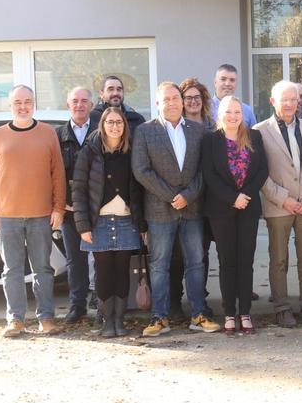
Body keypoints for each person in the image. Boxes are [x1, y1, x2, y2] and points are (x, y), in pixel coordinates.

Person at [132, 81, 217, 337]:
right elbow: (141, 170)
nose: (172, 103)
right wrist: (172, 196)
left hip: (192, 208)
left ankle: (198, 314)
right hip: (160, 210)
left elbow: (205, 170)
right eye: (166, 99)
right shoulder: (145, 131)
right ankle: (160, 317)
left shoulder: (198, 130)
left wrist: (188, 195)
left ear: (182, 102)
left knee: (196, 262)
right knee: (159, 265)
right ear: (158, 103)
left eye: (175, 98)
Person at [0, 85, 65, 338]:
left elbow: (58, 174)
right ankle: (16, 319)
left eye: (27, 101)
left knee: (43, 269)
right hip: (7, 215)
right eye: (18, 102)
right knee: (12, 270)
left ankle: (46, 317)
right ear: (10, 105)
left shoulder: (48, 133)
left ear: (34, 104)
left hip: (41, 214)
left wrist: (58, 208)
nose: (23, 106)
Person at [255, 81, 302, 328]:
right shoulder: (260, 130)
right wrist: (282, 198)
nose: (289, 104)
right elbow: (259, 173)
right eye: (283, 99)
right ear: (272, 101)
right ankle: (282, 308)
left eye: (293, 99)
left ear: (299, 102)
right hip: (279, 206)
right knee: (279, 259)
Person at [73, 107, 146, 338]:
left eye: (119, 122)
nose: (115, 126)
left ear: (125, 126)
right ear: (102, 125)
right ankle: (106, 321)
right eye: (110, 122)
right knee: (103, 272)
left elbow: (139, 190)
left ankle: (119, 319)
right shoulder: (90, 152)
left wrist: (142, 224)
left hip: (126, 221)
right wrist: (83, 225)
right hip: (99, 222)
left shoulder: (132, 151)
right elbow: (79, 190)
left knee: (122, 272)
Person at [201, 96, 269, 336]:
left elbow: (263, 170)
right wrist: (232, 198)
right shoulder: (210, 140)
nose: (233, 116)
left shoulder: (254, 137)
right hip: (221, 210)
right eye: (228, 112)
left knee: (246, 262)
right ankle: (230, 312)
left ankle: (246, 313)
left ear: (243, 114)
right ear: (221, 114)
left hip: (248, 208)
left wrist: (245, 196)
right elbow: (209, 174)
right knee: (227, 261)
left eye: (237, 112)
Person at [55, 86, 95, 324]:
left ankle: (100, 302)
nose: (79, 105)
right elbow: (53, 173)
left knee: (100, 259)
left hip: (97, 208)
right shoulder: (57, 135)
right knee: (75, 260)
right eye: (75, 101)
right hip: (69, 210)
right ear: (67, 104)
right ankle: (77, 304)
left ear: (91, 104)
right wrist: (60, 206)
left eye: (84, 101)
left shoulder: (101, 132)